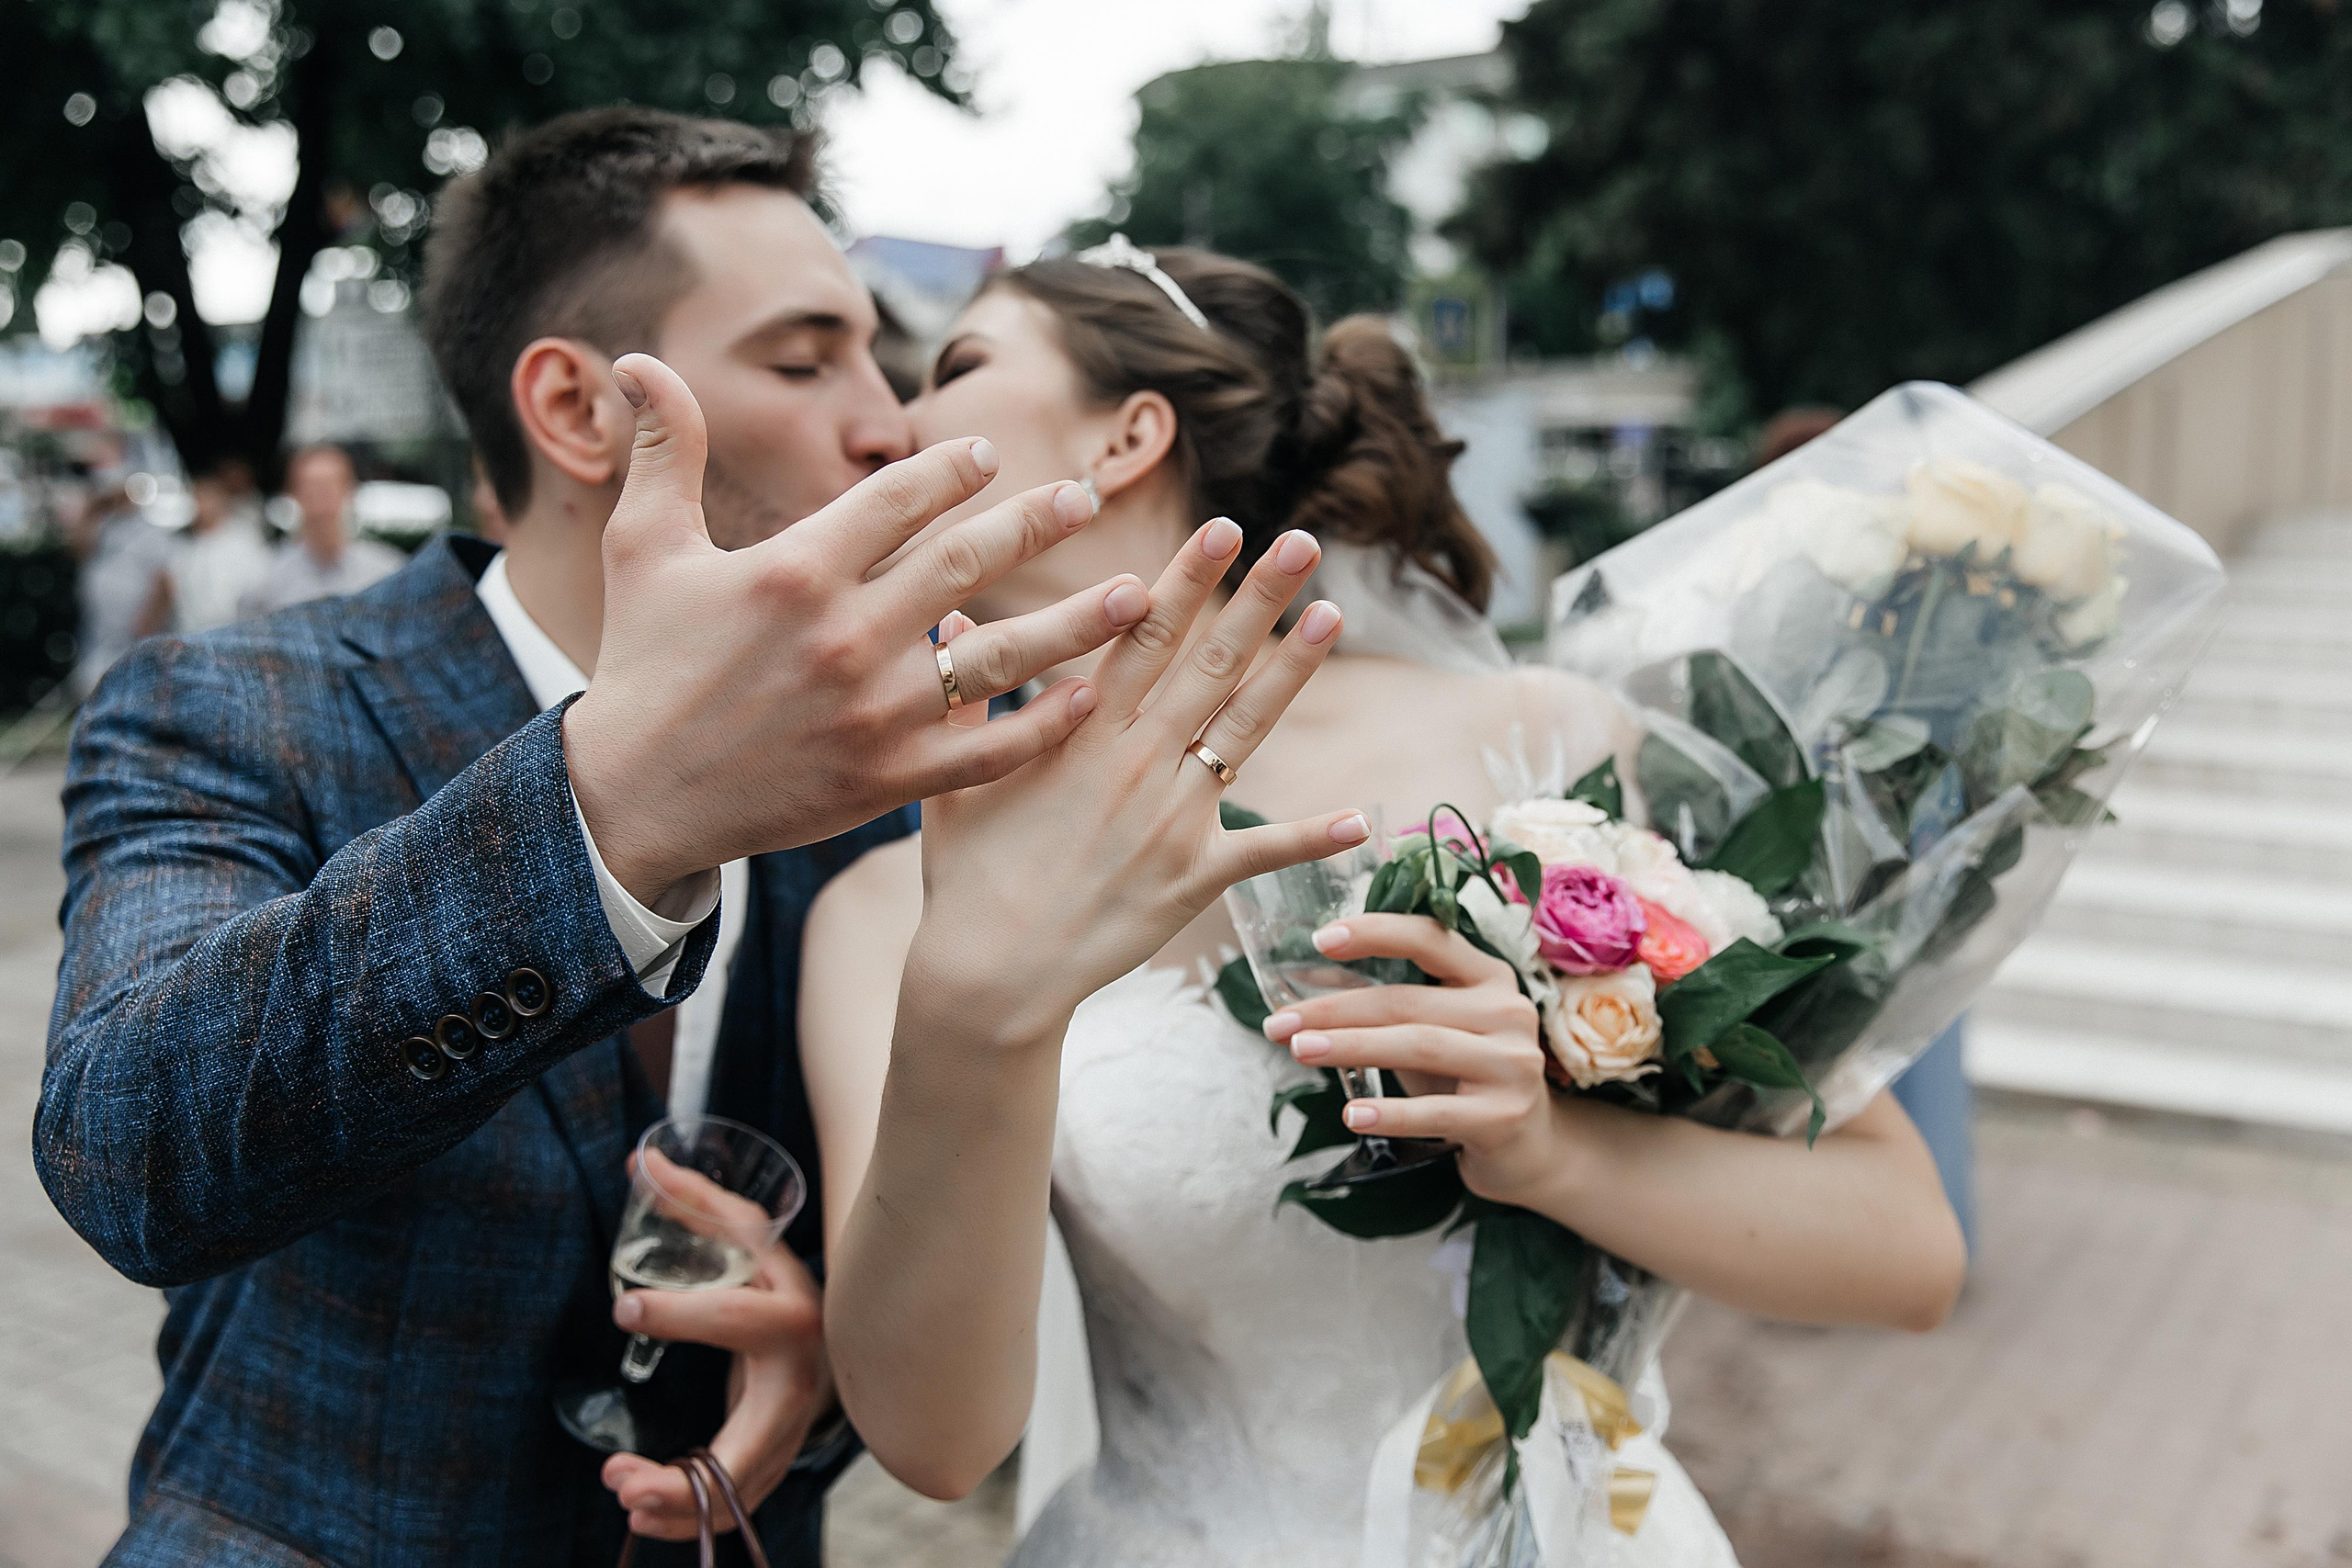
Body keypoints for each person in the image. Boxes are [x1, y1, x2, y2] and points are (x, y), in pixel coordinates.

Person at [38, 108, 1353, 1567]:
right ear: (582, 409)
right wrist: (619, 801)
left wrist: (825, 1359)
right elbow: (128, 1153)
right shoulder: (236, 702)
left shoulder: (917, 779)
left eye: (885, 355)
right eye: (804, 359)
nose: (889, 419)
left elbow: (937, 1255)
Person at [797, 246, 1970, 1563]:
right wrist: (976, 1004)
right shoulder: (882, 911)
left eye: (955, 365)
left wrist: (1551, 1148)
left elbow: (1909, 1250)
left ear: (1129, 434)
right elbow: (935, 1443)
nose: (884, 425)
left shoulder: (1542, 754)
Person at [1756, 406, 1975, 1253]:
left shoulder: (1826, 592)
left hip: (1868, 863)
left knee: (1856, 1059)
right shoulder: (1901, 589)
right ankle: (1929, 1223)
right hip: (1917, 861)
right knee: (1918, 1048)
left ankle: (1868, 1242)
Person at [263, 443, 405, 609]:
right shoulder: (267, 582)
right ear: (293, 493)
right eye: (311, 488)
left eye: (328, 487)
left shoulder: (388, 572)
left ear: (350, 490)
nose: (321, 501)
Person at [63, 479, 171, 695]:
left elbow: (164, 583)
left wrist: (150, 621)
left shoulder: (152, 532)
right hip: (99, 629)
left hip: (133, 632)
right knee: (90, 690)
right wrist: (94, 507)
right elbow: (76, 548)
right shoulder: (104, 526)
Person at [147, 466, 274, 633]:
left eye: (207, 498)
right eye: (197, 498)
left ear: (221, 499)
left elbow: (262, 590)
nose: (202, 505)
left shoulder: (244, 538)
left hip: (236, 633)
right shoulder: (181, 549)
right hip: (191, 637)